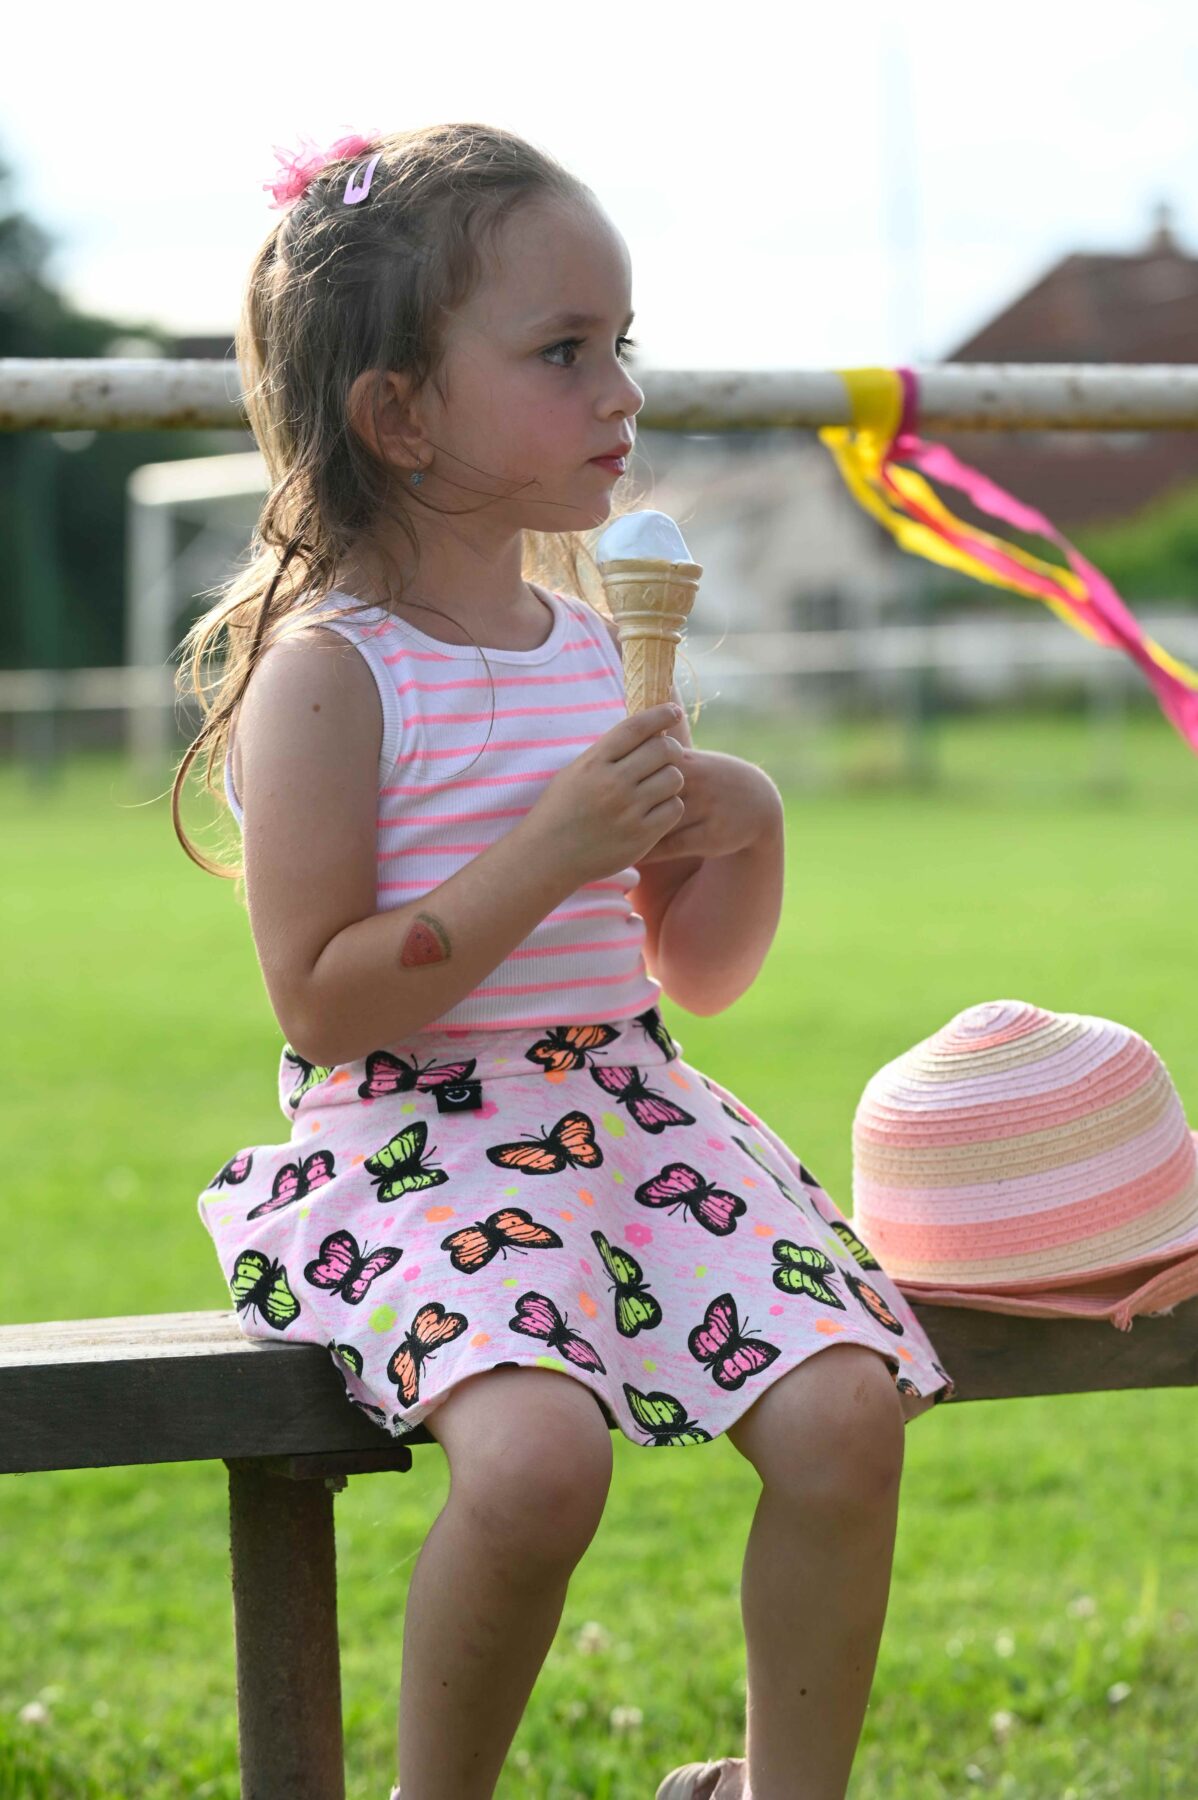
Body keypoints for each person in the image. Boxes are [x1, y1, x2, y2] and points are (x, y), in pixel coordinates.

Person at [176, 123, 955, 1800]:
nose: (622, 392)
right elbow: (324, 1000)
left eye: (622, 343)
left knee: (846, 1416)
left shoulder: (593, 647)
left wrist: (742, 829)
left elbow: (695, 974)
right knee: (535, 1466)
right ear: (399, 414)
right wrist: (550, 846)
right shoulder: (326, 674)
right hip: (412, 1141)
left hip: (633, 1116)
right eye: (561, 352)